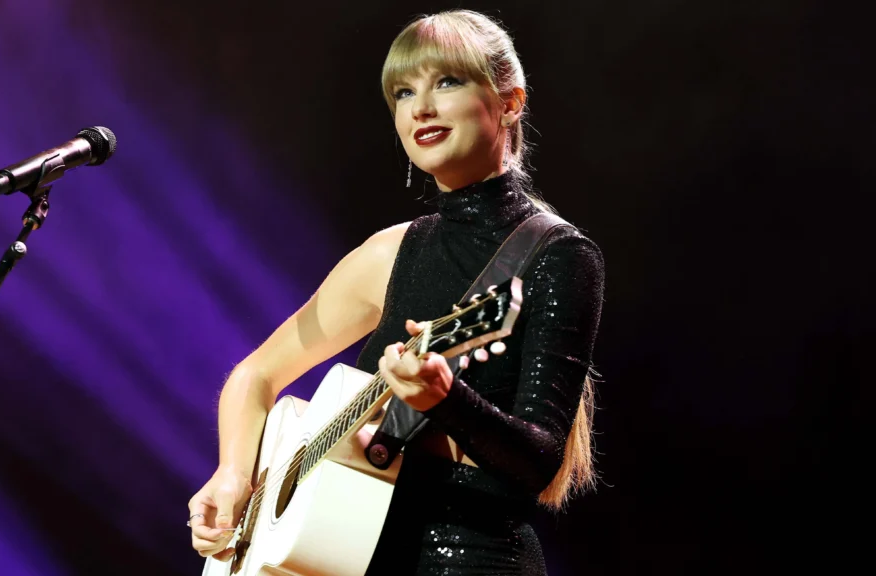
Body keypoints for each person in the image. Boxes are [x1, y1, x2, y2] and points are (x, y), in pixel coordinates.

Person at [189, 9, 605, 575]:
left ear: (510, 102)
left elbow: (538, 460)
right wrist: (233, 478)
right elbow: (255, 376)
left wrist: (446, 399)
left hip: (471, 560)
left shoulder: (557, 255)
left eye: (448, 82)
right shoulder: (388, 253)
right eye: (404, 92)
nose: (421, 107)